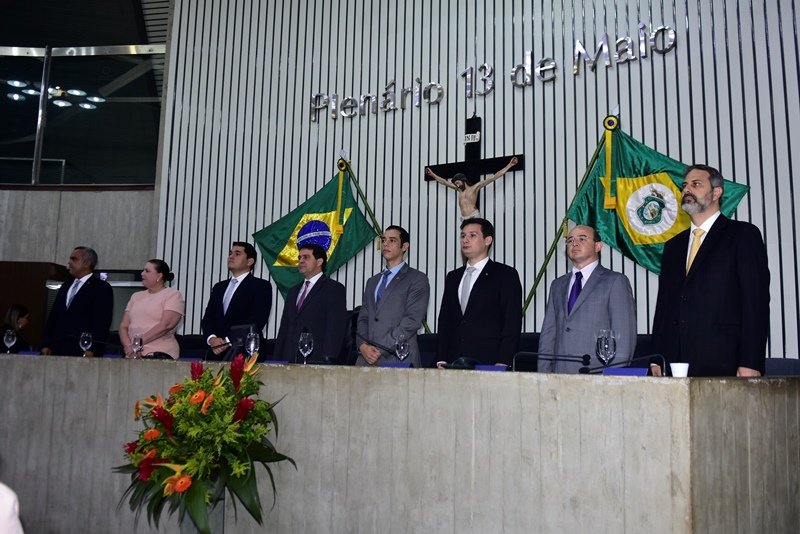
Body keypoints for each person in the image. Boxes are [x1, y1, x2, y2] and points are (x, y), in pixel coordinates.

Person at [651, 164, 770, 377]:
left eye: (696, 184)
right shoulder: (673, 245)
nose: (687, 190)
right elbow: (664, 306)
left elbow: (755, 303)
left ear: (716, 192)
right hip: (673, 362)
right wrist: (656, 358)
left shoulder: (743, 235)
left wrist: (751, 361)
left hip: (725, 360)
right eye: (684, 185)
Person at [538, 225, 637, 373]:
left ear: (598, 246)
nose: (574, 243)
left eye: (582, 239)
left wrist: (613, 378)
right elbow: (548, 334)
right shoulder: (557, 285)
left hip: (597, 376)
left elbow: (624, 338)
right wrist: (543, 375)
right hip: (559, 377)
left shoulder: (615, 281)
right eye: (570, 240)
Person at [437, 217, 523, 366]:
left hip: (490, 361)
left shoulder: (505, 274)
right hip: (453, 361)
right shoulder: (453, 276)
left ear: (488, 240)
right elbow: (445, 319)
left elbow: (511, 322)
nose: (465, 240)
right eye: (463, 236)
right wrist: (441, 358)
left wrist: (503, 361)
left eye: (472, 235)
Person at [356, 225, 430, 367]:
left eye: (392, 240)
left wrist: (379, 347)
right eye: (384, 240)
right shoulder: (372, 281)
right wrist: (363, 346)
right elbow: (363, 318)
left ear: (405, 246)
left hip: (398, 357)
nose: (385, 244)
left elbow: (412, 320)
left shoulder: (417, 279)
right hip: (366, 358)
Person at [274, 244, 348, 363]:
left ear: (319, 262)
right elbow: (284, 328)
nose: (301, 261)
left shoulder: (333, 288)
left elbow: (335, 329)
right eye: (300, 258)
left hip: (317, 359)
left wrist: (327, 360)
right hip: (289, 359)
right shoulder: (293, 291)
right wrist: (277, 359)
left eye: (306, 257)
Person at [201, 242, 272, 359]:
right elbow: (208, 317)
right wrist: (212, 339)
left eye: (237, 254)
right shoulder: (219, 287)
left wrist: (227, 340)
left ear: (250, 261)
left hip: (246, 352)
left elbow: (257, 320)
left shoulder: (261, 286)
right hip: (216, 352)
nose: (231, 256)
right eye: (230, 253)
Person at [41, 246, 113, 357]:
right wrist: (46, 344)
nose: (69, 262)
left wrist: (93, 349)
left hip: (83, 351)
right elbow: (53, 317)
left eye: (74, 259)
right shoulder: (66, 285)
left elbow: (102, 322)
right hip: (57, 350)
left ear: (87, 263)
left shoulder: (101, 288)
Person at [119, 259, 185, 359]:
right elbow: (124, 326)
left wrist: (136, 345)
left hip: (160, 354)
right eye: (143, 270)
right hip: (132, 354)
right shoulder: (136, 296)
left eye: (147, 271)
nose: (142, 274)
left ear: (159, 276)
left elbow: (166, 325)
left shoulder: (172, 295)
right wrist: (128, 347)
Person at [426, 156, 519, 218]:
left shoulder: (475, 187)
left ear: (463, 180)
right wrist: (432, 174)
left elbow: (493, 177)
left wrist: (510, 165)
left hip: (474, 216)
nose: (457, 185)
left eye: (458, 182)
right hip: (463, 218)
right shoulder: (458, 190)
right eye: (455, 183)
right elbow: (444, 182)